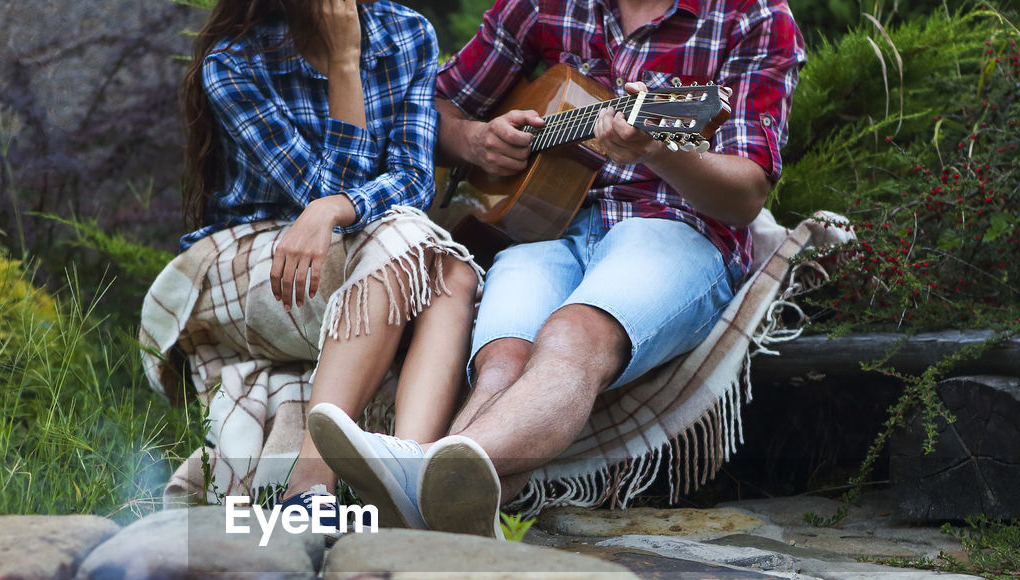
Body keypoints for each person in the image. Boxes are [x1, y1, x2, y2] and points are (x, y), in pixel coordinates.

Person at [308, 0, 807, 537]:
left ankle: (419, 474)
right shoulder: (540, 6)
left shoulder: (752, 16)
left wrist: (661, 152)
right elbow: (431, 107)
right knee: (501, 362)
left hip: (675, 228)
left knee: (574, 334)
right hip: (538, 229)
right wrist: (475, 140)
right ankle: (447, 510)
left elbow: (745, 196)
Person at [142, 0, 482, 531]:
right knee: (414, 251)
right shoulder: (234, 62)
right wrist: (347, 65)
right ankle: (309, 481)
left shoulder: (407, 32)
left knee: (450, 272)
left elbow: (415, 179)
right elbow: (318, 189)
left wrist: (335, 209)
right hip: (252, 255)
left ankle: (407, 472)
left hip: (369, 243)